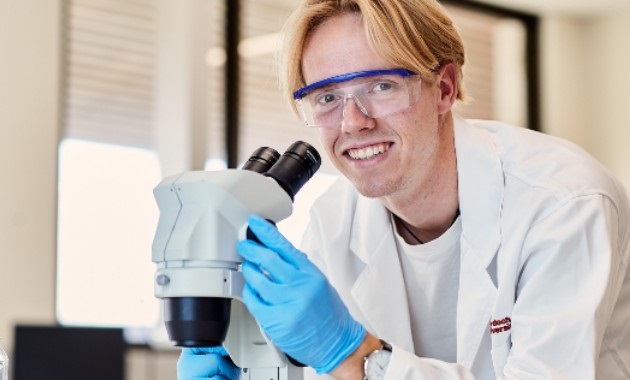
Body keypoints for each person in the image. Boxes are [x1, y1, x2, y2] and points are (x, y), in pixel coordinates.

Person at [178, 0, 630, 379]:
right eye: (327, 98)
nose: (353, 122)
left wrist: (354, 354)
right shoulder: (335, 222)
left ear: (445, 89)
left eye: (381, 85)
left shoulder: (563, 202)